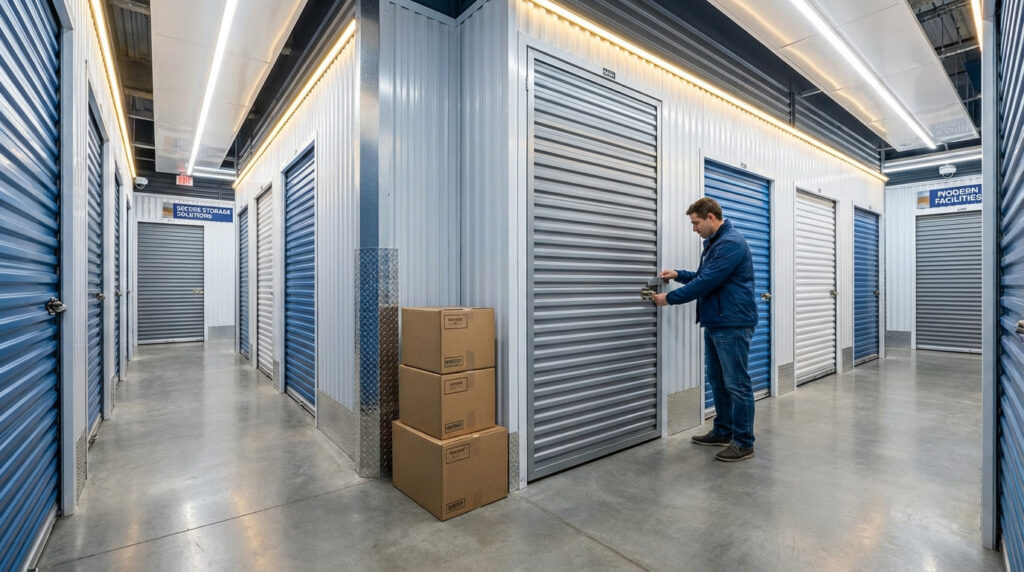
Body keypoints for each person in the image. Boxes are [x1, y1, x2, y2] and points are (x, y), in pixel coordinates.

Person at [652, 197, 758, 462]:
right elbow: (702, 275)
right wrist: (678, 274)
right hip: (717, 321)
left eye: (696, 222)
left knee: (737, 384)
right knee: (718, 380)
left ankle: (744, 442)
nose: (694, 228)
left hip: (732, 323)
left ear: (711, 217)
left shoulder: (731, 243)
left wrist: (670, 299)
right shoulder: (714, 244)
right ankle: (723, 430)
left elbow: (708, 281)